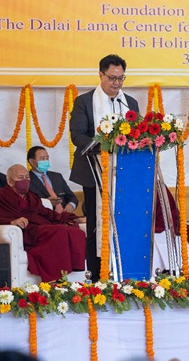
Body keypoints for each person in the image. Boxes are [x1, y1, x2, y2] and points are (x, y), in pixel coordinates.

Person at [69, 54, 139, 276]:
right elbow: (77, 135)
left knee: (125, 224)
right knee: (95, 226)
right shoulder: (84, 102)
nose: (117, 84)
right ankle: (97, 276)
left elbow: (138, 134)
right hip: (93, 171)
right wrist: (99, 146)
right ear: (100, 75)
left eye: (121, 78)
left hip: (125, 175)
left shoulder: (131, 103)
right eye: (112, 78)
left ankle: (125, 272)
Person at [0, 164, 86, 282]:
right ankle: (57, 277)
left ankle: (75, 270)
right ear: (10, 181)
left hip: (41, 228)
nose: (25, 181)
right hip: (27, 231)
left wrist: (73, 218)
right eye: (20, 178)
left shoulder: (32, 196)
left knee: (76, 232)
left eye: (27, 177)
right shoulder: (2, 196)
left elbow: (46, 213)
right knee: (60, 231)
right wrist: (13, 221)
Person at [26, 146, 78, 213]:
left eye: (47, 158)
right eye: (42, 158)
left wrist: (71, 205)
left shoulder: (57, 177)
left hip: (65, 216)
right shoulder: (27, 180)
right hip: (44, 217)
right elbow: (27, 204)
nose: (46, 161)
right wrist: (46, 203)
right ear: (32, 162)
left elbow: (72, 197)